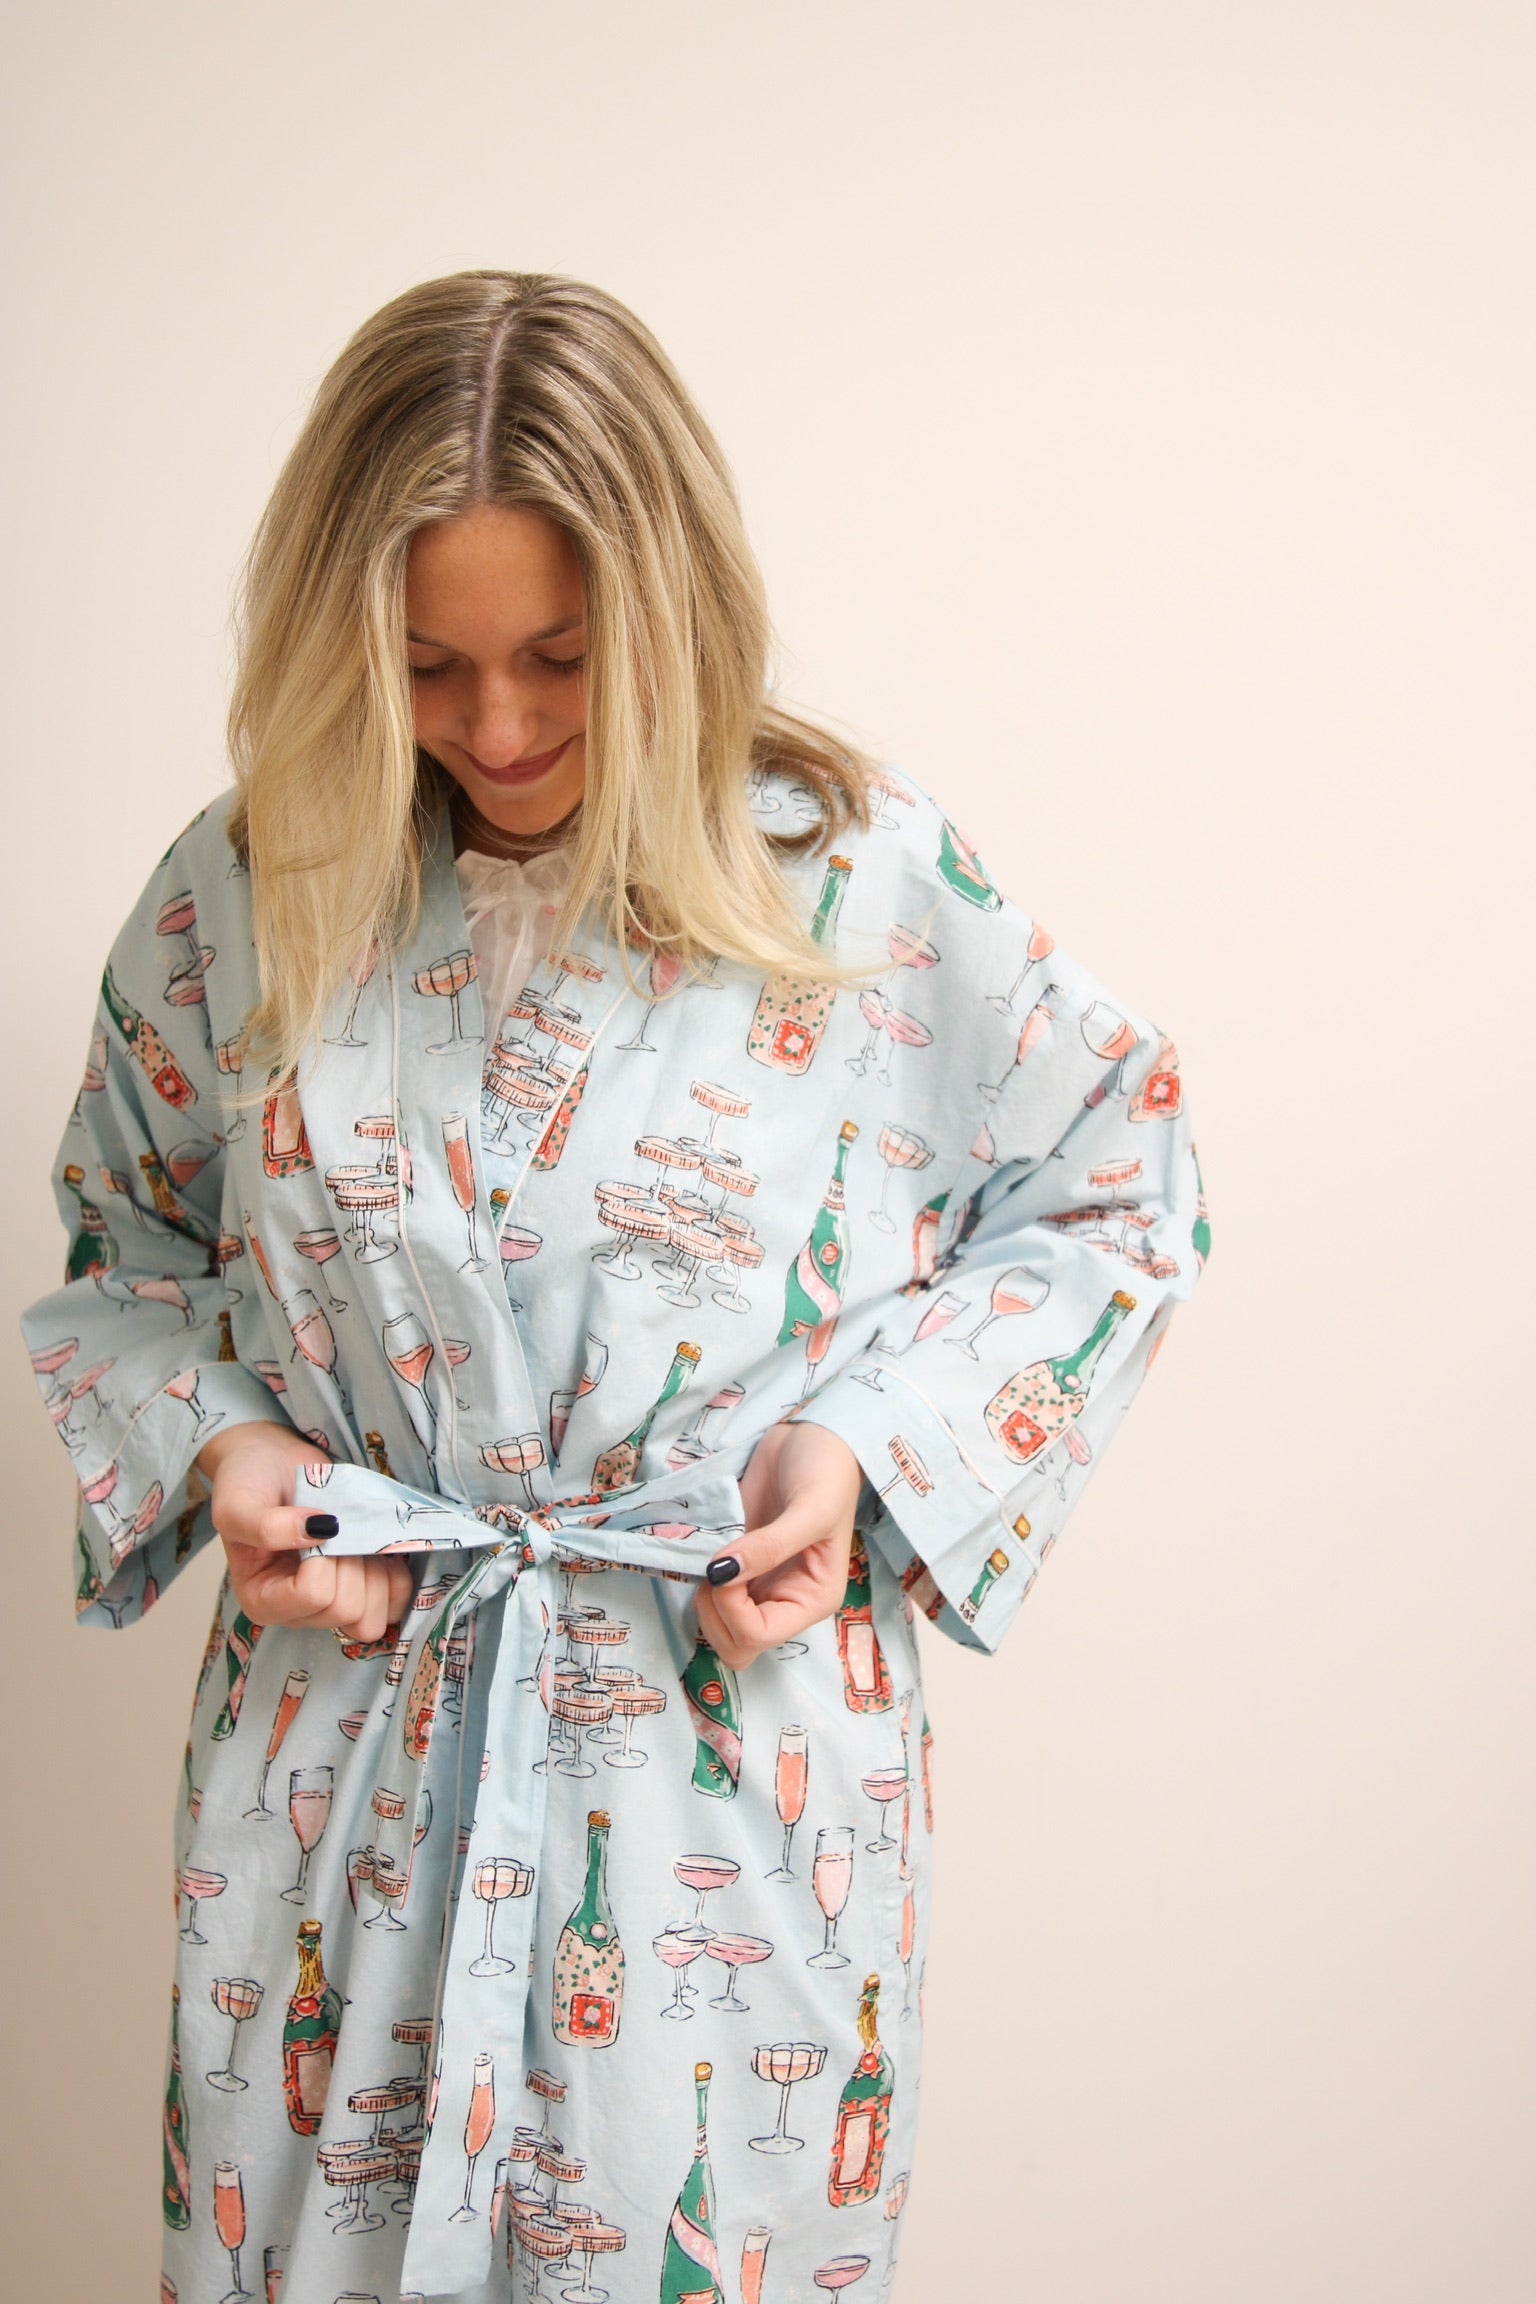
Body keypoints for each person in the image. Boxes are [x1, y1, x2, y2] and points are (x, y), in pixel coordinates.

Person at [19, 271, 1209, 2304]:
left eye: (560, 659)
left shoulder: (856, 878)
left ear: (670, 606)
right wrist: (225, 1450)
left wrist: (863, 1445)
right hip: (341, 1777)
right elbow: (123, 1247)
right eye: (427, 665)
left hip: (711, 1788)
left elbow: (1118, 1187)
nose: (497, 729)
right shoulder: (247, 886)